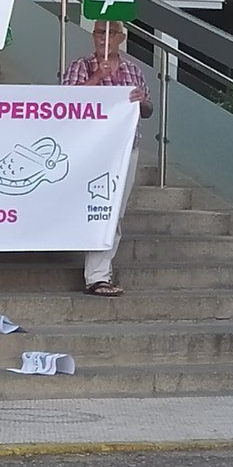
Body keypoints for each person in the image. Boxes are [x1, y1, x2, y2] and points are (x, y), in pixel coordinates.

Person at [62, 21, 153, 296]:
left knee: (114, 211)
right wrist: (96, 79)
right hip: (89, 150)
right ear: (93, 35)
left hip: (125, 150)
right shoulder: (80, 66)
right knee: (90, 206)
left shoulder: (132, 70)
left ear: (121, 38)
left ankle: (99, 274)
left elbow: (147, 109)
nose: (105, 38)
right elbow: (65, 103)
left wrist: (142, 101)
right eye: (100, 32)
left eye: (111, 33)